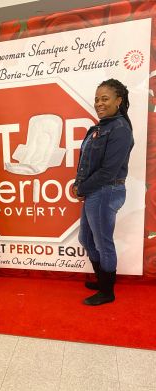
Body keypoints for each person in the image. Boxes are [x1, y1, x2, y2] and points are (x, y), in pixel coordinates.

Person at [73, 79, 134, 306]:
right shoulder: (103, 127)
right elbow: (88, 163)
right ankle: (102, 280)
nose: (99, 103)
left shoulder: (119, 129)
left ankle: (107, 291)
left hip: (106, 191)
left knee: (102, 242)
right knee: (86, 238)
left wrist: (81, 188)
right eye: (97, 99)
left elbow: (108, 171)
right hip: (95, 191)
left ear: (119, 101)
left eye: (105, 99)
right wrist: (79, 184)